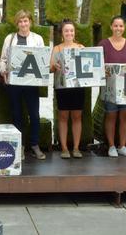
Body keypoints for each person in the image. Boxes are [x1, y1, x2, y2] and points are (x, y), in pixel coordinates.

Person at [0, 9, 46, 160]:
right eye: (20, 21)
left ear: (30, 22)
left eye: (25, 21)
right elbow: (3, 59)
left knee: (34, 115)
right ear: (17, 23)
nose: (23, 24)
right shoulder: (10, 38)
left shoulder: (37, 39)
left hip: (32, 84)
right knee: (17, 114)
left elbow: (42, 59)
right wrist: (3, 70)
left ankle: (34, 144)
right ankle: (20, 146)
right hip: (14, 84)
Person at [99, 15, 126, 157]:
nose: (118, 28)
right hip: (109, 87)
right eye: (115, 25)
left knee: (125, 117)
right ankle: (111, 146)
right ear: (111, 27)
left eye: (121, 26)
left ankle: (122, 146)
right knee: (111, 116)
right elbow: (98, 65)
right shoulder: (103, 44)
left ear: (124, 28)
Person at [50, 19, 85, 159]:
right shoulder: (57, 48)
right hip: (62, 87)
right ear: (62, 33)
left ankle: (76, 148)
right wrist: (55, 66)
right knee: (63, 117)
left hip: (78, 87)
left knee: (77, 116)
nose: (69, 33)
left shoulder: (81, 47)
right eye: (66, 31)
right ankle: (64, 148)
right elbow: (51, 68)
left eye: (71, 30)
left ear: (74, 32)